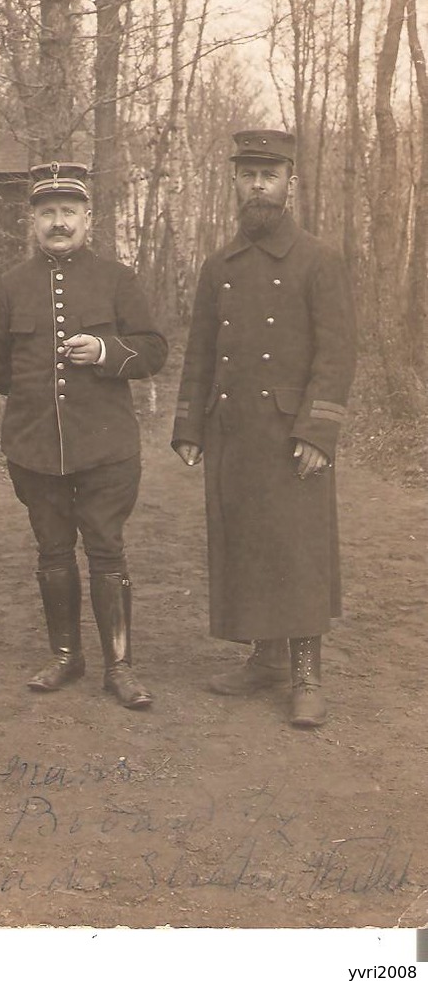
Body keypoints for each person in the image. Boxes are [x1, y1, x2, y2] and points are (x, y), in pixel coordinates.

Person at [172, 130, 357, 727]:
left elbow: (337, 355)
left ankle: (306, 674)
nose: (258, 185)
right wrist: (189, 427)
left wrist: (317, 432)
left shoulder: (319, 259)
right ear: (234, 181)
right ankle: (264, 657)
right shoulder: (217, 265)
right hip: (232, 432)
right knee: (246, 541)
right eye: (248, 174)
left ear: (289, 183)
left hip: (290, 434)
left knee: (296, 550)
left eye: (269, 174)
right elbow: (200, 350)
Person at [0, 161, 168, 709]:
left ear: (89, 218)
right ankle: (65, 656)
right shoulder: (9, 287)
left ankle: (120, 666)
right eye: (47, 213)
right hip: (35, 447)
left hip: (107, 447)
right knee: (52, 551)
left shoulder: (118, 280)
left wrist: (106, 352)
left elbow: (153, 349)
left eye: (68, 212)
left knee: (107, 551)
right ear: (31, 221)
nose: (58, 223)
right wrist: (34, 395)